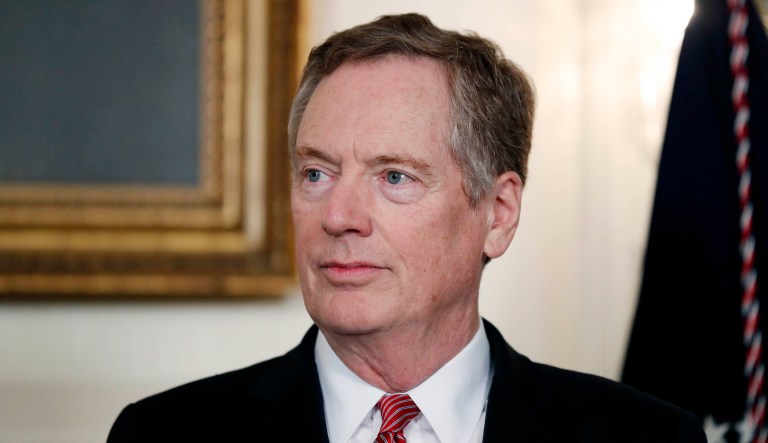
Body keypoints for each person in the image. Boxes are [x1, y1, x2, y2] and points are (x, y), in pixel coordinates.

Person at [108, 13, 706, 442]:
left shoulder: (647, 436)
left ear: (498, 214)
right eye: (316, 173)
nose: (338, 217)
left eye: (395, 177)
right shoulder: (162, 433)